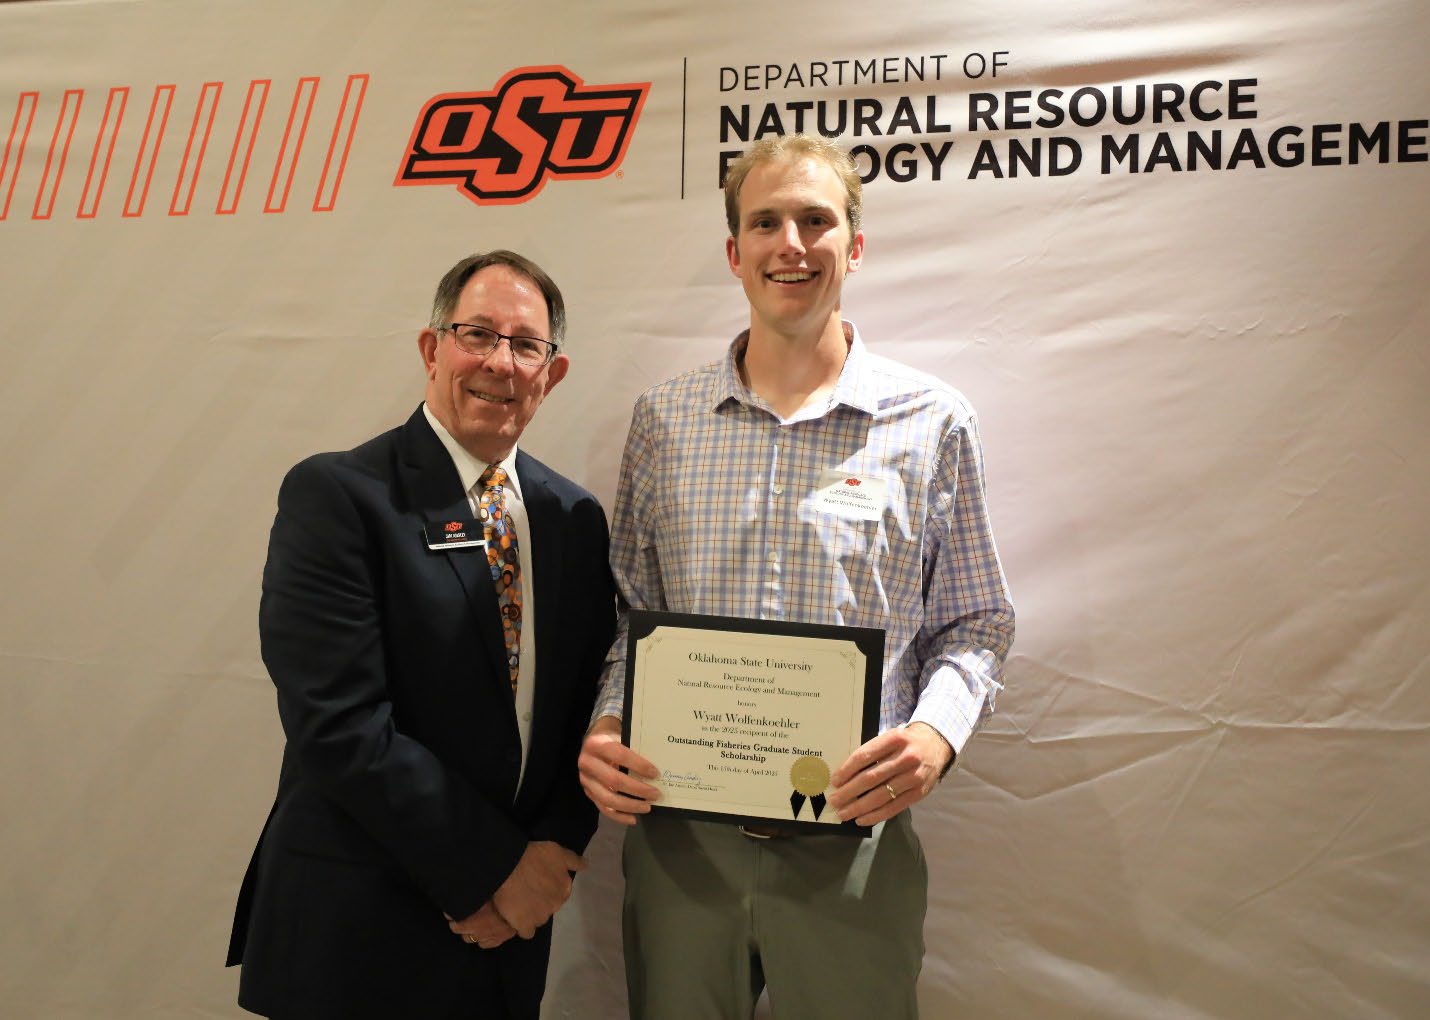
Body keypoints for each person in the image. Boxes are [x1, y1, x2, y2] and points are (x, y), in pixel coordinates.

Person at [577, 134, 1015, 1019]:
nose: (793, 244)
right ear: (735, 253)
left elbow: (976, 622)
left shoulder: (932, 422)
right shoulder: (666, 422)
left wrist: (934, 738)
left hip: (852, 848)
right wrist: (610, 719)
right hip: (681, 846)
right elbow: (632, 616)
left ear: (854, 246)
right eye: (766, 222)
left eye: (817, 220)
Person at [227, 250, 616, 1020]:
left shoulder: (573, 519)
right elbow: (338, 725)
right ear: (432, 349)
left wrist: (552, 860)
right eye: (478, 334)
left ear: (552, 372)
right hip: (359, 931)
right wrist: (494, 871)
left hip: (507, 940)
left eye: (525, 344)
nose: (500, 362)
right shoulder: (339, 496)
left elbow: (586, 708)